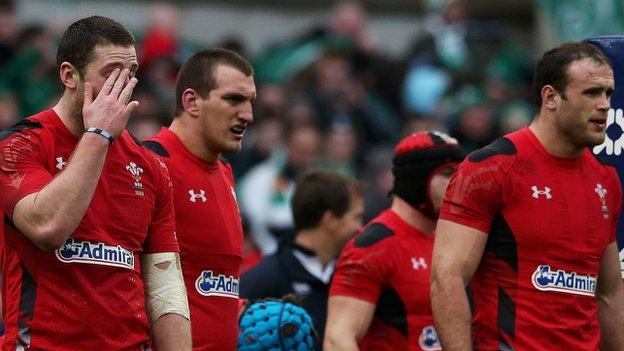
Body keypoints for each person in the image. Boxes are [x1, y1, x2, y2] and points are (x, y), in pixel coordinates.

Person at [0, 16, 191, 350]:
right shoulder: (20, 144)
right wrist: (98, 135)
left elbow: (165, 290)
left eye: (130, 74)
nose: (124, 86)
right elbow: (47, 227)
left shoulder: (149, 167)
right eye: (111, 73)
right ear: (69, 75)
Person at [431, 41, 624, 350]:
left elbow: (610, 294)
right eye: (591, 92)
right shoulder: (491, 169)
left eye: (608, 93)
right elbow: (447, 276)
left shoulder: (606, 181)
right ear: (550, 97)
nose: (604, 105)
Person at [143, 48, 256, 350]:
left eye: (249, 101)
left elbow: (210, 282)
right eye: (233, 99)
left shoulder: (226, 172)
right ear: (192, 101)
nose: (247, 115)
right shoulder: (150, 164)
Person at [324, 131, 464, 350]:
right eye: (447, 174)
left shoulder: (458, 241)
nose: (457, 184)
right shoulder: (373, 246)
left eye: (459, 174)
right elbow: (337, 339)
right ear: (416, 180)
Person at [240, 170, 365, 349]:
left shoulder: (353, 275)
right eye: (356, 217)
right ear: (329, 220)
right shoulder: (263, 280)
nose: (361, 228)